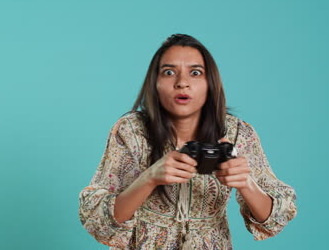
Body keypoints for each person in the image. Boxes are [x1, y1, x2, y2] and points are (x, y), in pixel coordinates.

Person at [78, 34, 297, 249]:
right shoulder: (131, 130)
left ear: (210, 83)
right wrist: (149, 178)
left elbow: (275, 219)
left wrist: (246, 182)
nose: (182, 83)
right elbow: (99, 221)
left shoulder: (238, 133)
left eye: (195, 73)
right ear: (155, 83)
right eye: (169, 72)